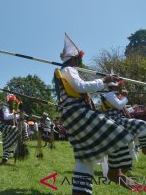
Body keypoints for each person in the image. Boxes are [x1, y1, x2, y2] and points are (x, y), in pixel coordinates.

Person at [54, 34, 137, 194]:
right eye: (78, 60)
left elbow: (80, 88)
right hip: (78, 113)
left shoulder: (64, 71)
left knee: (85, 156)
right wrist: (104, 81)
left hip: (71, 116)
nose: (79, 63)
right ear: (75, 59)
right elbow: (80, 86)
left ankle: (81, 191)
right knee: (118, 133)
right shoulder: (69, 69)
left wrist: (105, 83)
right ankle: (114, 173)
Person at [101, 83, 146, 161]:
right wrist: (125, 96)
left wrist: (133, 109)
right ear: (114, 86)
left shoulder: (114, 95)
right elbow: (119, 105)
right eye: (119, 85)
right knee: (142, 125)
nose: (121, 87)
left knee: (143, 128)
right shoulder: (110, 94)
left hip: (119, 119)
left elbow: (120, 109)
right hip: (115, 121)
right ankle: (145, 149)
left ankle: (144, 149)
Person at [0, 94, 28, 163]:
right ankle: (24, 137)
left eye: (14, 102)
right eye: (12, 102)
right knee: (17, 130)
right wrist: (15, 114)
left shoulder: (13, 110)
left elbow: (16, 118)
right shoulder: (5, 107)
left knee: (6, 141)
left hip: (9, 127)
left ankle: (4, 159)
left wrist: (20, 115)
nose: (14, 103)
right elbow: (6, 117)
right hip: (3, 126)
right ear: (9, 102)